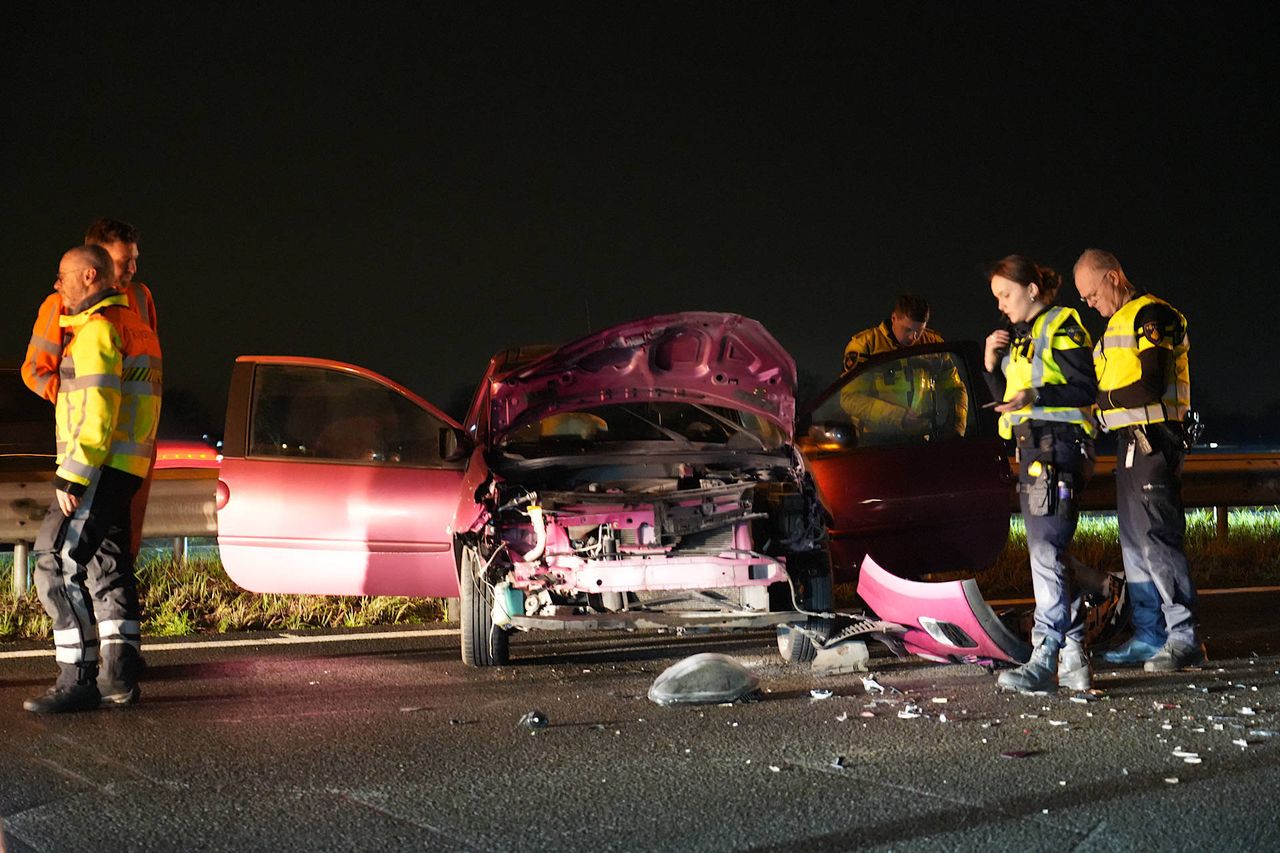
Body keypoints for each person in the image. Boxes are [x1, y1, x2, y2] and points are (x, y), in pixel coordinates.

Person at [23, 244, 163, 713]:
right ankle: (117, 677)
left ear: (87, 276)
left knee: (54, 560)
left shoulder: (96, 332)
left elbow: (98, 411)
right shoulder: (132, 325)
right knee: (107, 566)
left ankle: (76, 680)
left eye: (62, 276)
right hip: (123, 466)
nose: (56, 284)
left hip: (96, 467)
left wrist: (74, 476)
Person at [1074, 248, 1202, 672]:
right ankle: (1150, 634)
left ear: (1113, 277)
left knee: (1157, 539)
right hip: (1128, 444)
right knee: (1133, 544)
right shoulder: (1112, 329)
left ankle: (1182, 636)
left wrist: (1101, 399)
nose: (1089, 303)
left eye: (1091, 293)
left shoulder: (1153, 315)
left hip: (1155, 440)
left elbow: (1150, 383)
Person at [982, 256, 1098, 693]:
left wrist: (1037, 391)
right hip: (1034, 447)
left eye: (1005, 295)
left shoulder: (1062, 324)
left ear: (1032, 289)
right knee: (1049, 551)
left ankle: (1046, 654)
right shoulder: (1022, 339)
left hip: (1057, 446)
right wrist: (992, 368)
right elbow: (1012, 403)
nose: (1001, 306)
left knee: (1046, 552)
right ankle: (1072, 659)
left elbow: (1086, 386)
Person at [21, 218, 159, 561]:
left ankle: (112, 614)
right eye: (122, 260)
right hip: (89, 449)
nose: (131, 268)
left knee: (118, 554)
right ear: (93, 263)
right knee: (75, 556)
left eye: (134, 259)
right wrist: (76, 401)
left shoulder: (140, 298)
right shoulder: (59, 305)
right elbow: (35, 370)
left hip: (130, 447)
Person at [839, 294, 967, 441]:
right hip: (874, 440)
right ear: (894, 318)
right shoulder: (866, 345)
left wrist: (957, 429)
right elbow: (850, 398)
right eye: (907, 330)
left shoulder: (933, 344)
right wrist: (898, 416)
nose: (914, 337)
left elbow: (956, 389)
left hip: (920, 438)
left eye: (919, 331)